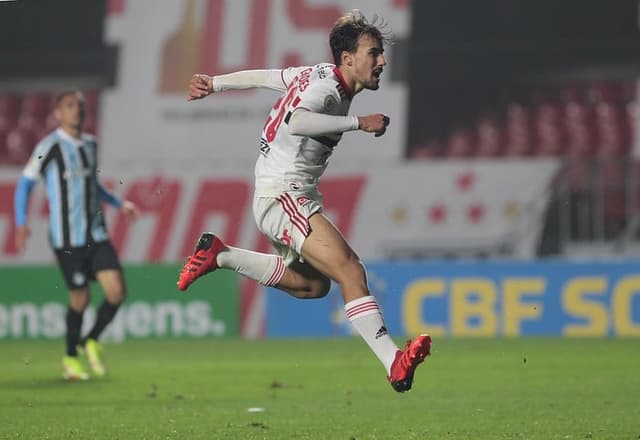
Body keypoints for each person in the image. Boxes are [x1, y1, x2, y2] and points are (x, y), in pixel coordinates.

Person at [178, 10, 431, 392]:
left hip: (280, 194)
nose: (381, 61)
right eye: (373, 53)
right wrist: (358, 123)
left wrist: (215, 83)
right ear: (347, 59)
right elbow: (297, 120)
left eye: (380, 54)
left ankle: (221, 254)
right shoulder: (326, 90)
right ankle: (393, 362)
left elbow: (264, 77)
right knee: (350, 271)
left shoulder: (311, 74)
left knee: (314, 288)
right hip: (284, 195)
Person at [14, 91, 139, 380]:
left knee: (117, 293)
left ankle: (91, 339)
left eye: (80, 106)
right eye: (69, 106)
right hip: (67, 239)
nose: (77, 111)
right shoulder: (50, 146)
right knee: (80, 300)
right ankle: (71, 357)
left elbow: (93, 186)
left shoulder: (90, 144)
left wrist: (121, 204)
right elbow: (24, 184)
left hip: (96, 234)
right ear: (58, 113)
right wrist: (21, 223)